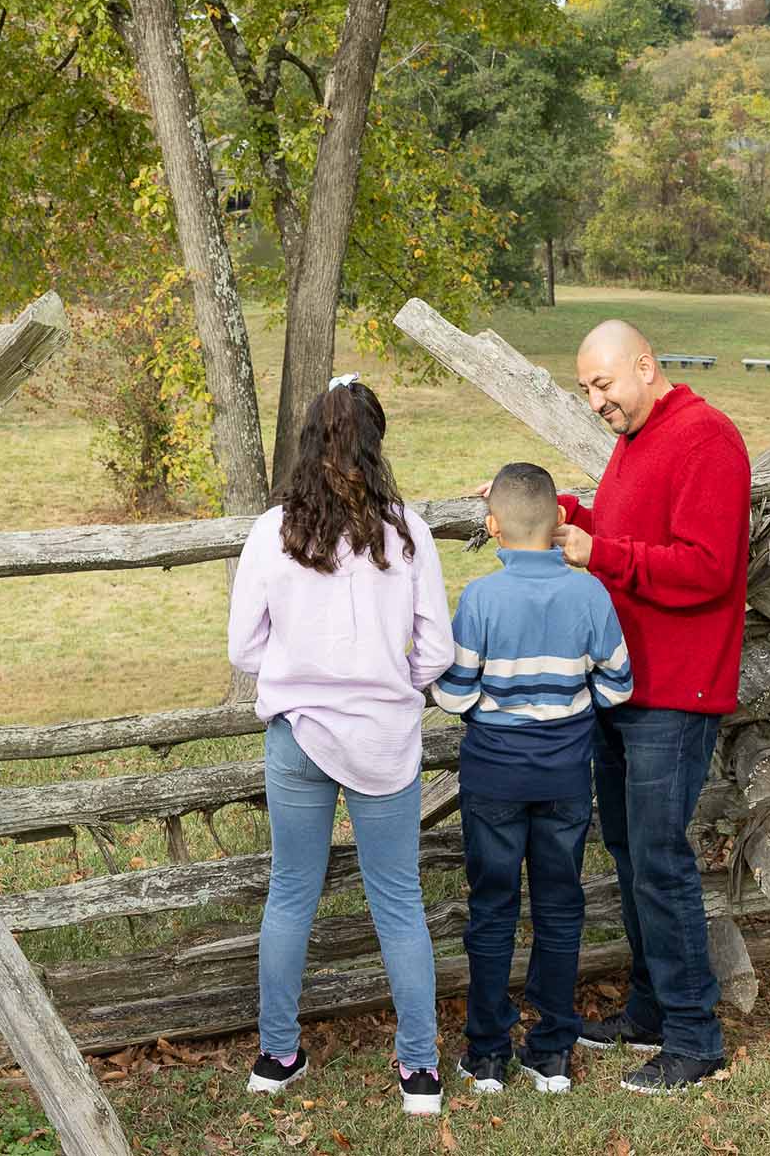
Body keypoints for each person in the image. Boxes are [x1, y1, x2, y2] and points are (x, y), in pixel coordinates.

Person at [227, 375, 452, 1117]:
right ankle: (420, 1070)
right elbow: (436, 651)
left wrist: (300, 673)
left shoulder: (273, 531)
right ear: (374, 442)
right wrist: (391, 679)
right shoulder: (406, 531)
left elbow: (243, 646)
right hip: (385, 734)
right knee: (399, 900)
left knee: (292, 890)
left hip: (299, 731)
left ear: (308, 441)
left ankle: (277, 1054)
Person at [554, 320, 749, 1095]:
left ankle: (696, 1035)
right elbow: (627, 532)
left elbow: (706, 568)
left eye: (603, 383)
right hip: (625, 684)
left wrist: (597, 553)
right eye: (585, 390)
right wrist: (558, 507)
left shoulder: (707, 438)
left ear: (644, 364)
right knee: (633, 856)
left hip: (675, 689)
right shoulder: (640, 437)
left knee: (660, 861)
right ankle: (650, 1010)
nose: (596, 400)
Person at [431, 462, 633, 1095]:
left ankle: (486, 1052)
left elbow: (455, 694)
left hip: (494, 774)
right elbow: (618, 684)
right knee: (559, 906)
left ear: (494, 528)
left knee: (492, 908)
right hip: (566, 773)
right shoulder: (589, 594)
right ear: (559, 523)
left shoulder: (483, 598)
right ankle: (551, 1051)